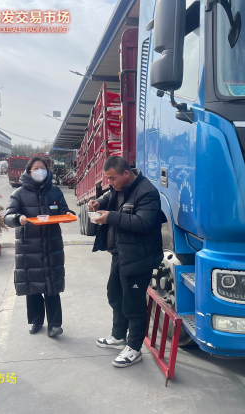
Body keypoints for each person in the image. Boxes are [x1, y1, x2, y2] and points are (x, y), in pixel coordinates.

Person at [89, 156, 163, 368]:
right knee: (116, 295)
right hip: (120, 254)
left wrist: (110, 217)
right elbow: (110, 197)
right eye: (108, 179)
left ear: (126, 174)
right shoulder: (119, 187)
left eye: (112, 178)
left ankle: (134, 348)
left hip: (139, 259)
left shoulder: (147, 192)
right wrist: (99, 203)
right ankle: (118, 336)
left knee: (134, 303)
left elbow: (144, 223)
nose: (109, 183)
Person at [4, 157, 75, 337]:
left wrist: (68, 214)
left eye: (42, 168)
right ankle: (36, 321)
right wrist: (17, 218)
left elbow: (63, 210)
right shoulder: (19, 193)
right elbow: (8, 216)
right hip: (29, 246)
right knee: (33, 285)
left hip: (52, 244)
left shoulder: (55, 191)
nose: (39, 171)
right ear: (29, 171)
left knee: (52, 285)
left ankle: (55, 325)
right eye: (35, 168)